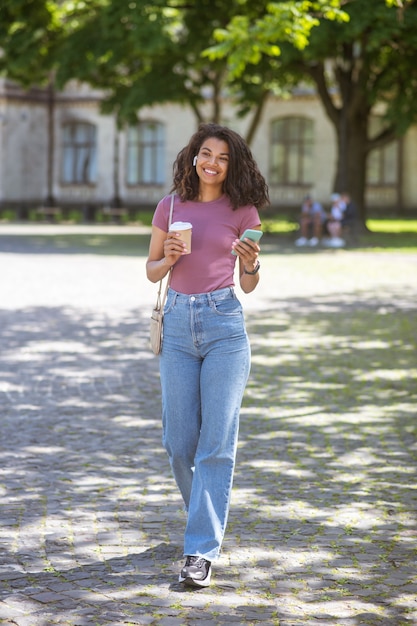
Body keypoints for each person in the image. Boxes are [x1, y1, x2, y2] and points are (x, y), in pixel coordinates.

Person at [146, 123, 269, 588]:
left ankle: (200, 550)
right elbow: (150, 268)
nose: (211, 162)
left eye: (221, 156)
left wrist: (252, 262)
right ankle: (204, 514)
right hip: (177, 326)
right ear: (193, 157)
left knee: (216, 442)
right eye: (205, 153)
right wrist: (170, 257)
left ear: (232, 164)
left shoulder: (243, 210)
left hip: (224, 327)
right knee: (179, 443)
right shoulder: (170, 206)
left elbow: (250, 281)